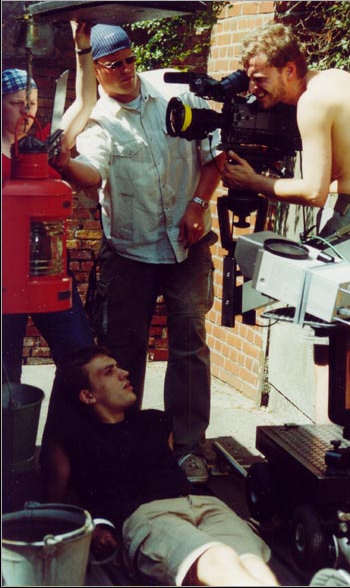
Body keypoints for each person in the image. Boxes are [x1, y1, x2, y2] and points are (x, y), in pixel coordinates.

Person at [40, 346, 350, 587]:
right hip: (146, 518)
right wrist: (97, 527)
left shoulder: (155, 422)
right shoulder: (71, 442)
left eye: (118, 366)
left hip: (203, 505)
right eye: (109, 372)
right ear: (88, 395)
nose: (124, 373)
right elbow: (54, 509)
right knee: (216, 557)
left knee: (248, 562)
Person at [51, 24, 226, 484]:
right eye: (114, 65)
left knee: (190, 344)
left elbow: (216, 152)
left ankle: (188, 448)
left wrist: (198, 203)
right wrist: (66, 165)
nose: (127, 70)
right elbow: (93, 173)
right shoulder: (96, 119)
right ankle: (125, 451)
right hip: (130, 253)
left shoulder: (175, 90)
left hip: (188, 245)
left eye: (130, 60)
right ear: (97, 70)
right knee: (123, 353)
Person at [221, 22, 350, 425]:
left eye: (260, 79)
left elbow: (314, 192)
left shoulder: (311, 104)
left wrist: (253, 181)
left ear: (289, 70)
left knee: (328, 344)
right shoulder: (339, 79)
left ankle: (326, 438)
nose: (254, 89)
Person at [2, 22, 97, 384]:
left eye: (31, 103)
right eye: (16, 104)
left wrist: (83, 48)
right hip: (4, 277)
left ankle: (69, 422)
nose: (26, 112)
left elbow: (85, 103)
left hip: (47, 270)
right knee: (6, 374)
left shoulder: (43, 141)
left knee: (81, 356)